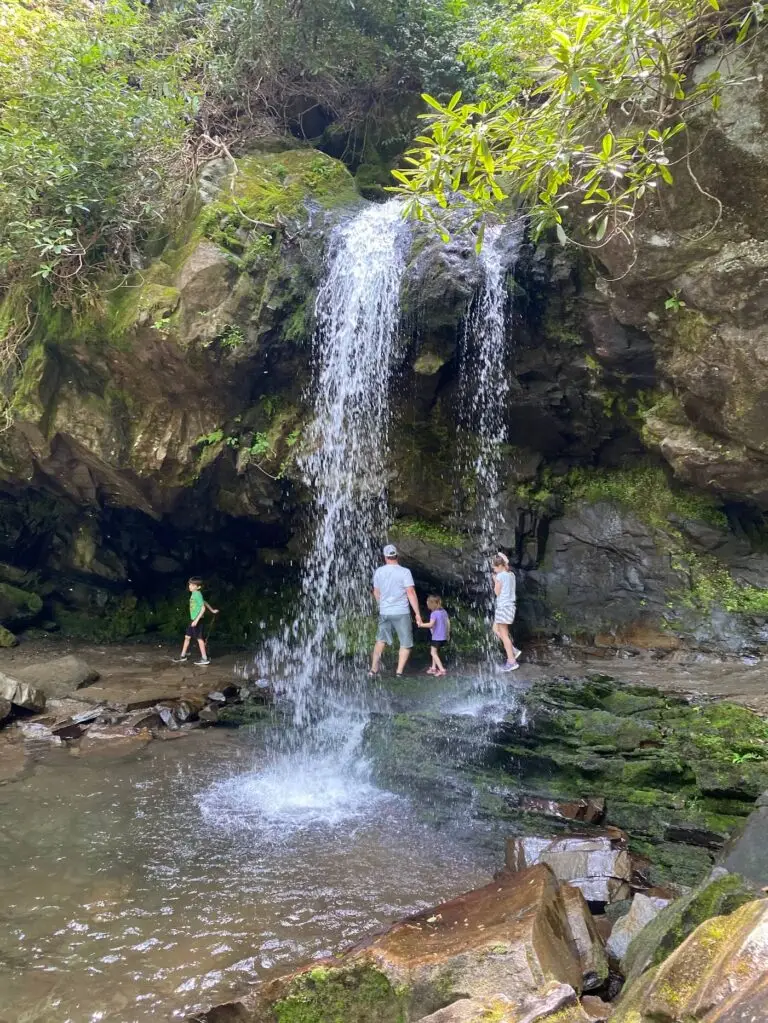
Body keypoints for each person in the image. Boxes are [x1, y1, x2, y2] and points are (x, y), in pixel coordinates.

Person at [370, 544, 422, 677]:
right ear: (396, 556)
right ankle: (399, 672)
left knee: (381, 640)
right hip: (401, 612)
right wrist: (417, 613)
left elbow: (376, 592)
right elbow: (410, 592)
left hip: (385, 612)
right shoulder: (405, 572)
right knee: (405, 643)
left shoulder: (379, 571)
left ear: (385, 557)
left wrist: (381, 606)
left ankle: (373, 670)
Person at [174, 577, 218, 665]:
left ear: (198, 587)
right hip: (193, 620)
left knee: (199, 639)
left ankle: (204, 658)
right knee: (187, 637)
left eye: (193, 585)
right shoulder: (194, 594)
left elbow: (203, 608)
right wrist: (212, 610)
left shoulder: (197, 594)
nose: (190, 586)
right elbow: (204, 602)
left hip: (198, 620)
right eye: (190, 584)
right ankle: (182, 656)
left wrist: (196, 620)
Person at [492, 553, 520, 672]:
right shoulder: (511, 575)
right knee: (495, 629)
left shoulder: (500, 576)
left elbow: (497, 592)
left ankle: (511, 662)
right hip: (510, 607)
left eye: (494, 567)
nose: (493, 570)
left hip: (503, 607)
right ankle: (513, 650)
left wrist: (495, 581)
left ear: (499, 566)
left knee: (504, 635)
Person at [419, 594, 450, 676]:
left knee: (433, 653)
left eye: (428, 603)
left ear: (432, 604)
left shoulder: (434, 614)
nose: (427, 605)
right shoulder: (444, 611)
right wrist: (448, 633)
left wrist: (421, 625)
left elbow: (430, 625)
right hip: (443, 636)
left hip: (437, 637)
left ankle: (442, 670)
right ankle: (433, 668)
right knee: (435, 652)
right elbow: (448, 623)